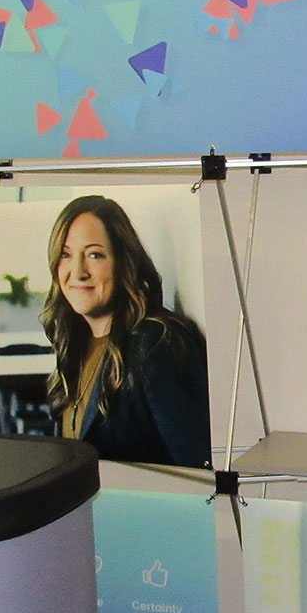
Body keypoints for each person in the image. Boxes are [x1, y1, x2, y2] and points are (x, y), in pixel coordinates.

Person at [40, 195, 210, 467]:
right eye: (65, 254)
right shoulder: (76, 346)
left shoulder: (156, 343)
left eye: (94, 255)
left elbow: (199, 467)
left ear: (123, 261)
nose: (78, 272)